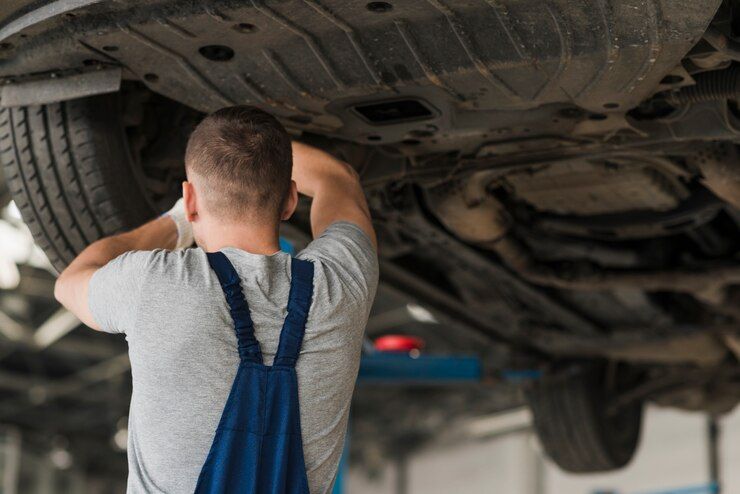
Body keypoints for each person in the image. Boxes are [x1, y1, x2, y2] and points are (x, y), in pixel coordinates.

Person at [54, 106, 378, 493]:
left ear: (190, 200)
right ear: (290, 199)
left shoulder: (153, 283)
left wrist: (175, 222)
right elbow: (338, 180)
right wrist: (262, 152)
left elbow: (70, 281)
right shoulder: (340, 284)